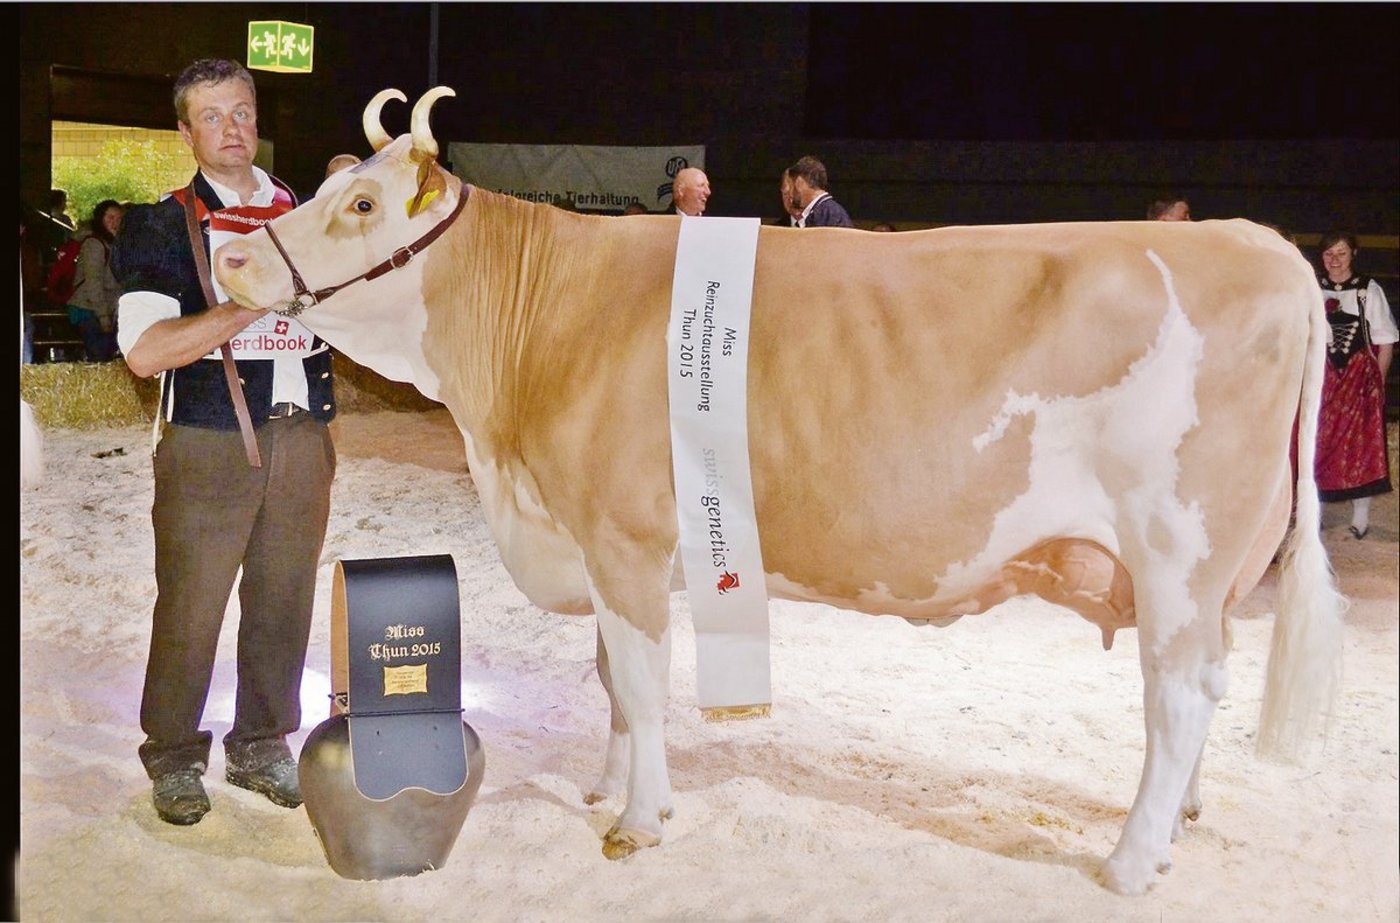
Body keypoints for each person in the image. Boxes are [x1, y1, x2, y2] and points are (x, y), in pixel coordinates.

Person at [110, 58, 337, 826]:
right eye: (212, 116)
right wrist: (249, 304)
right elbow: (145, 352)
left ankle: (261, 741)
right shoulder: (161, 221)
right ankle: (173, 754)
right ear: (186, 132)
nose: (232, 128)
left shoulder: (302, 212)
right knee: (192, 605)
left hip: (303, 433)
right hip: (207, 438)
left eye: (242, 111)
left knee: (284, 597)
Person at [1312, 230, 1397, 539]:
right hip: (1321, 377)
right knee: (1316, 443)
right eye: (1328, 254)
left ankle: (1360, 518)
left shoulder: (1367, 290)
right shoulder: (1311, 287)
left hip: (1357, 377)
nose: (1334, 260)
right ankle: (1314, 514)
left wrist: (1378, 382)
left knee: (1362, 445)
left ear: (1354, 255)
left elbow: (1385, 341)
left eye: (1341, 253)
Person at [65, 199, 124, 361]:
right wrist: (103, 316)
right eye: (110, 218)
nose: (115, 223)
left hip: (105, 308)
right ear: (100, 219)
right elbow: (93, 282)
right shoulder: (94, 245)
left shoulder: (114, 244)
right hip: (88, 308)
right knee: (100, 357)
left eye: (119, 219)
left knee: (106, 355)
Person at [786, 156, 854, 228]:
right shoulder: (827, 212)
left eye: (792, 186)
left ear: (800, 183)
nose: (790, 194)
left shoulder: (828, 214)